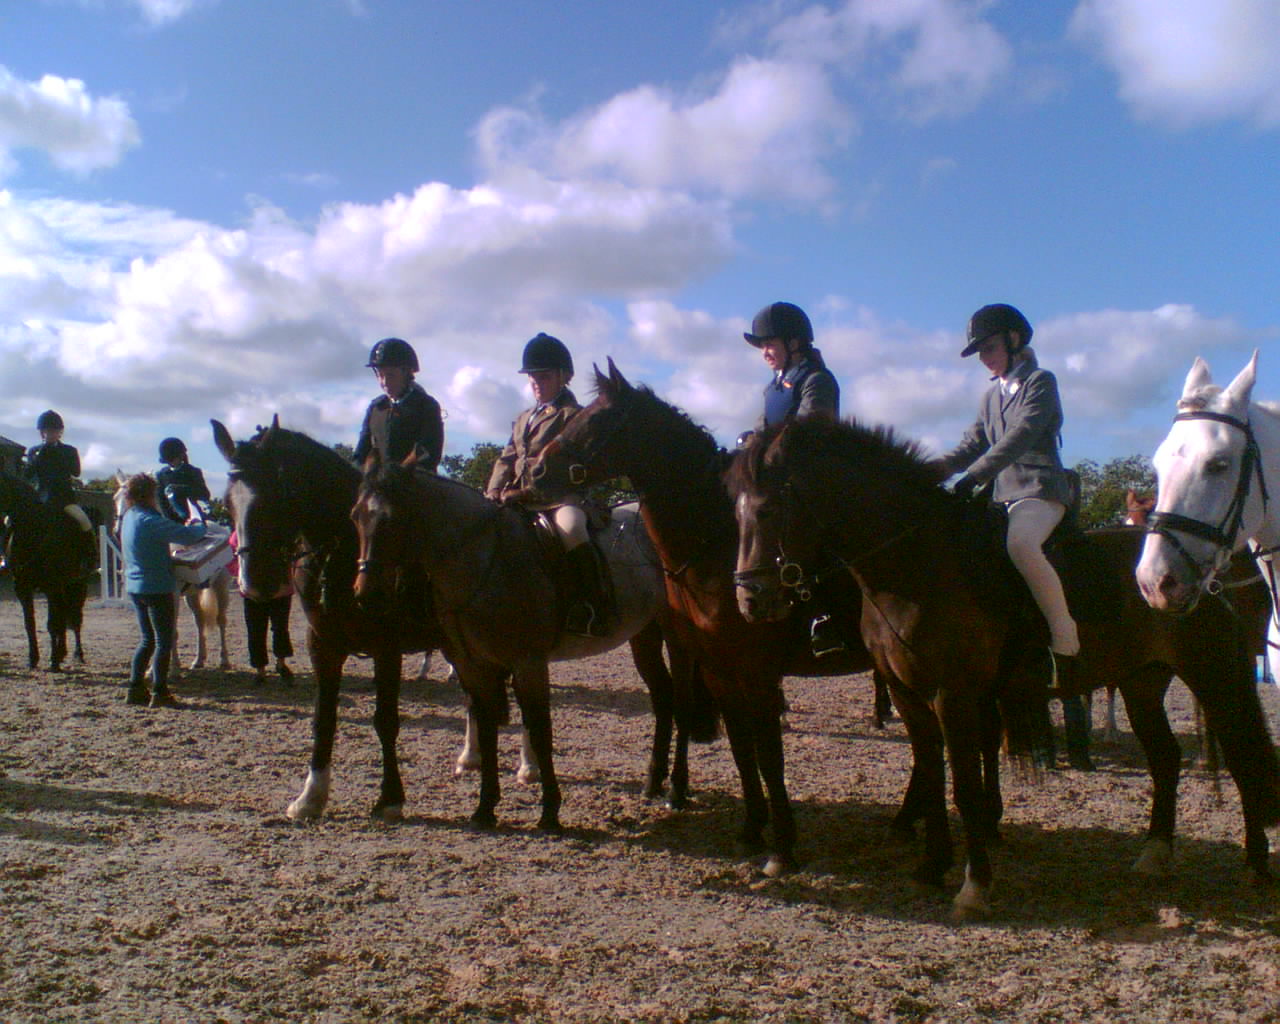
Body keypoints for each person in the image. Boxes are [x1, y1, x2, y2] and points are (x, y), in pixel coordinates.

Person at [929, 303, 1093, 771]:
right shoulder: (991, 396)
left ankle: (1064, 638)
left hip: (1041, 491)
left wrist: (973, 476)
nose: (985, 357)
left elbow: (1019, 436)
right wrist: (933, 470)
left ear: (1015, 340)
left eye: (990, 347)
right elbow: (972, 442)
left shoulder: (1041, 382)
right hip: (1002, 497)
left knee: (1021, 545)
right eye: (980, 351)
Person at [486, 332, 608, 638]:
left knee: (572, 529)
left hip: (559, 498)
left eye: (544, 376)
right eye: (532, 377)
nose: (536, 383)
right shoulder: (523, 418)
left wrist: (525, 492)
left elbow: (563, 466)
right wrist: (493, 490)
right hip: (515, 497)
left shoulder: (573, 416)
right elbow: (507, 457)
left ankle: (593, 605)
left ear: (563, 377)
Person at [742, 301, 844, 656]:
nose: (765, 352)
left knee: (810, 534)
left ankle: (826, 614)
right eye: (762, 346)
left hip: (811, 478)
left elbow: (807, 429)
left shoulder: (817, 380)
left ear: (794, 343)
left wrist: (764, 444)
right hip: (780, 483)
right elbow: (762, 430)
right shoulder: (773, 388)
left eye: (770, 344)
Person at [119, 472, 207, 708]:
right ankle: (160, 692)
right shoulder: (150, 519)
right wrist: (199, 522)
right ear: (151, 494)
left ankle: (135, 688)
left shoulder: (129, 517)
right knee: (163, 642)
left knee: (147, 640)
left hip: (135, 586)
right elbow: (188, 535)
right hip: (156, 587)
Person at [23, 409, 98, 577]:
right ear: (42, 432)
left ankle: (91, 557)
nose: (49, 434)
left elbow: (76, 472)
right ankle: (10, 557)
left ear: (59, 432)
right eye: (46, 431)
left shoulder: (69, 451)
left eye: (53, 431)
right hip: (40, 499)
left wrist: (56, 455)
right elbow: (27, 475)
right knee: (11, 521)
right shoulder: (34, 451)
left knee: (84, 521)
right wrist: (37, 458)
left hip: (64, 499)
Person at [354, 337, 444, 471]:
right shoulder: (376, 408)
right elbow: (362, 452)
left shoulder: (426, 406)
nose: (385, 382)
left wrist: (399, 474)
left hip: (416, 479)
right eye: (380, 375)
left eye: (391, 375)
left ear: (406, 373)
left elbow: (428, 452)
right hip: (378, 480)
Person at [229, 529, 294, 685]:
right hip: (271, 587)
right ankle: (272, 666)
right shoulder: (278, 529)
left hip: (264, 587)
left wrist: (240, 576)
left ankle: (267, 668)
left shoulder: (243, 531)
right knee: (271, 628)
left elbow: (231, 558)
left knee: (264, 629)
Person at [156, 437, 212, 524]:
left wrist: (181, 489)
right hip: (172, 520)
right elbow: (161, 501)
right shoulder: (161, 475)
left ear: (181, 456)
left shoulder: (193, 472)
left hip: (195, 518)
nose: (171, 463)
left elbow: (205, 494)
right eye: (168, 461)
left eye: (173, 459)